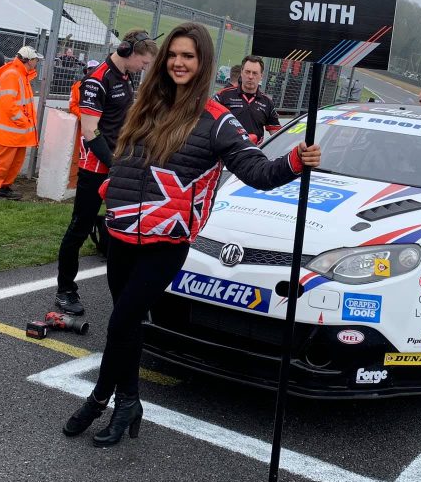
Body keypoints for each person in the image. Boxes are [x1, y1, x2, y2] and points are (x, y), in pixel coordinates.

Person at [61, 23, 321, 446]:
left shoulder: (218, 119)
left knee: (120, 322)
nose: (179, 63)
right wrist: (112, 192)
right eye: (173, 55)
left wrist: (294, 160)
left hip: (166, 244)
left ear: (203, 65)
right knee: (127, 326)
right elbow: (124, 158)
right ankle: (130, 401)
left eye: (189, 56)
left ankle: (99, 398)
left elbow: (257, 171)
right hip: (122, 235)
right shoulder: (144, 104)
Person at [54, 31, 157, 316]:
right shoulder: (97, 80)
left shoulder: (126, 77)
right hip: (94, 168)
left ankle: (124, 294)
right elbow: (90, 131)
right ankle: (65, 290)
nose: (144, 68)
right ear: (128, 52)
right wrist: (113, 163)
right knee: (80, 227)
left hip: (118, 165)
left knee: (123, 228)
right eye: (144, 62)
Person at [0, 46, 42, 200]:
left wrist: (24, 124)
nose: (37, 63)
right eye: (36, 60)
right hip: (12, 129)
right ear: (28, 60)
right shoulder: (13, 75)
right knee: (4, 161)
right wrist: (23, 121)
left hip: (18, 130)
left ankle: (4, 187)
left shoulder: (21, 75)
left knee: (15, 161)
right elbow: (8, 103)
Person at [213, 54, 280, 144]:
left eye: (255, 73)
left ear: (261, 76)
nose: (250, 76)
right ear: (241, 72)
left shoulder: (267, 102)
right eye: (247, 72)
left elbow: (276, 134)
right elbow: (208, 123)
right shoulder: (223, 95)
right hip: (225, 152)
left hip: (252, 154)